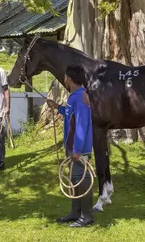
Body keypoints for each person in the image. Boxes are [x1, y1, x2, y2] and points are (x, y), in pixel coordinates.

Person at [46, 64, 94, 228]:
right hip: (72, 145)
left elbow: (81, 125)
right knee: (74, 179)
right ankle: (75, 212)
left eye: (65, 76)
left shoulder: (80, 98)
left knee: (82, 179)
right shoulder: (75, 96)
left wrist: (77, 150)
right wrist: (57, 107)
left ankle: (86, 216)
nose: (64, 79)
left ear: (70, 79)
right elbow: (69, 114)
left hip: (78, 148)